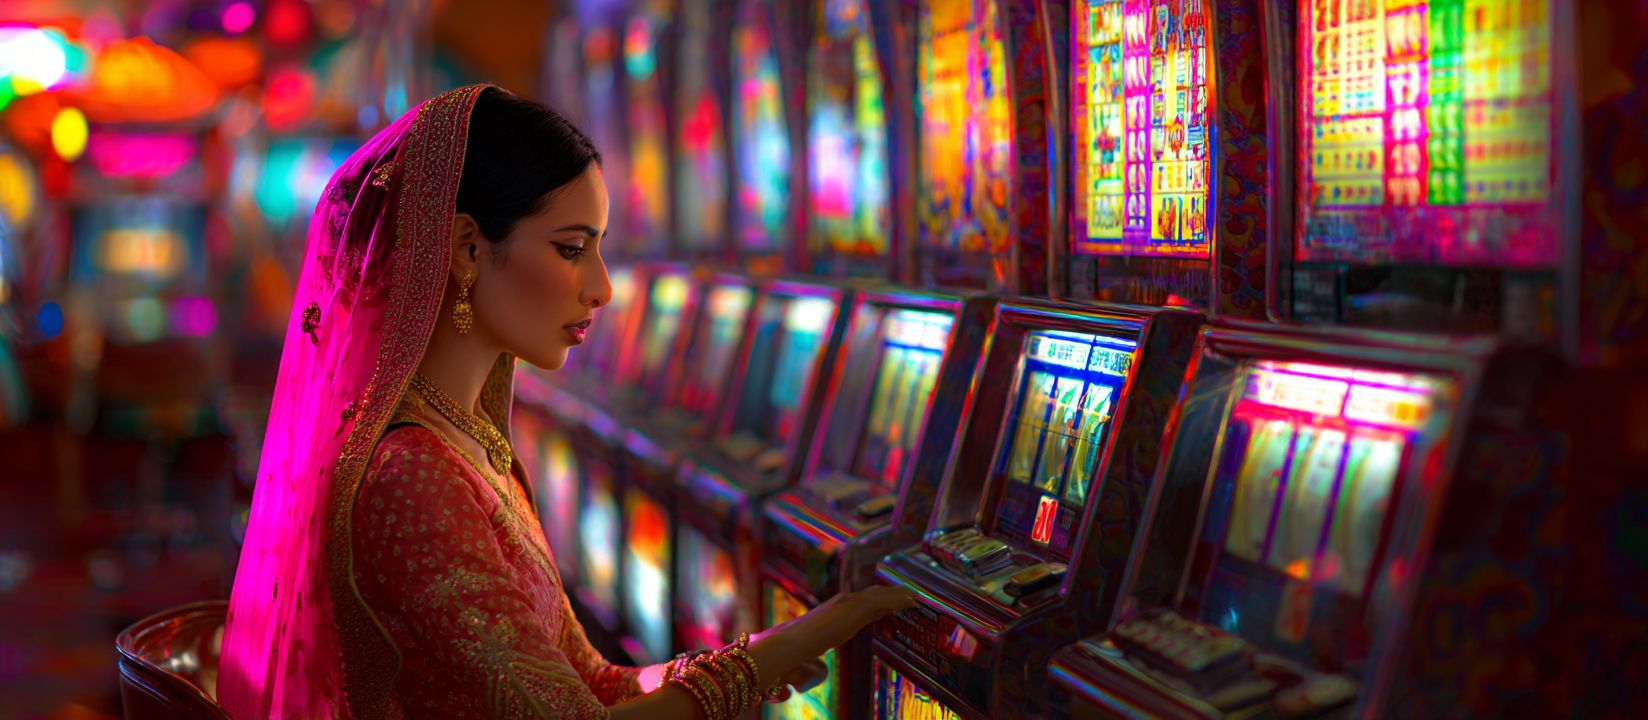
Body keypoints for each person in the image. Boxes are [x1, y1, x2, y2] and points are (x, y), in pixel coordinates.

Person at [218, 85, 916, 719]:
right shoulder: (413, 475)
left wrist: (775, 646)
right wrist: (810, 634)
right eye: (570, 248)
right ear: (466, 248)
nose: (603, 288)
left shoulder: (464, 442)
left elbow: (593, 682)